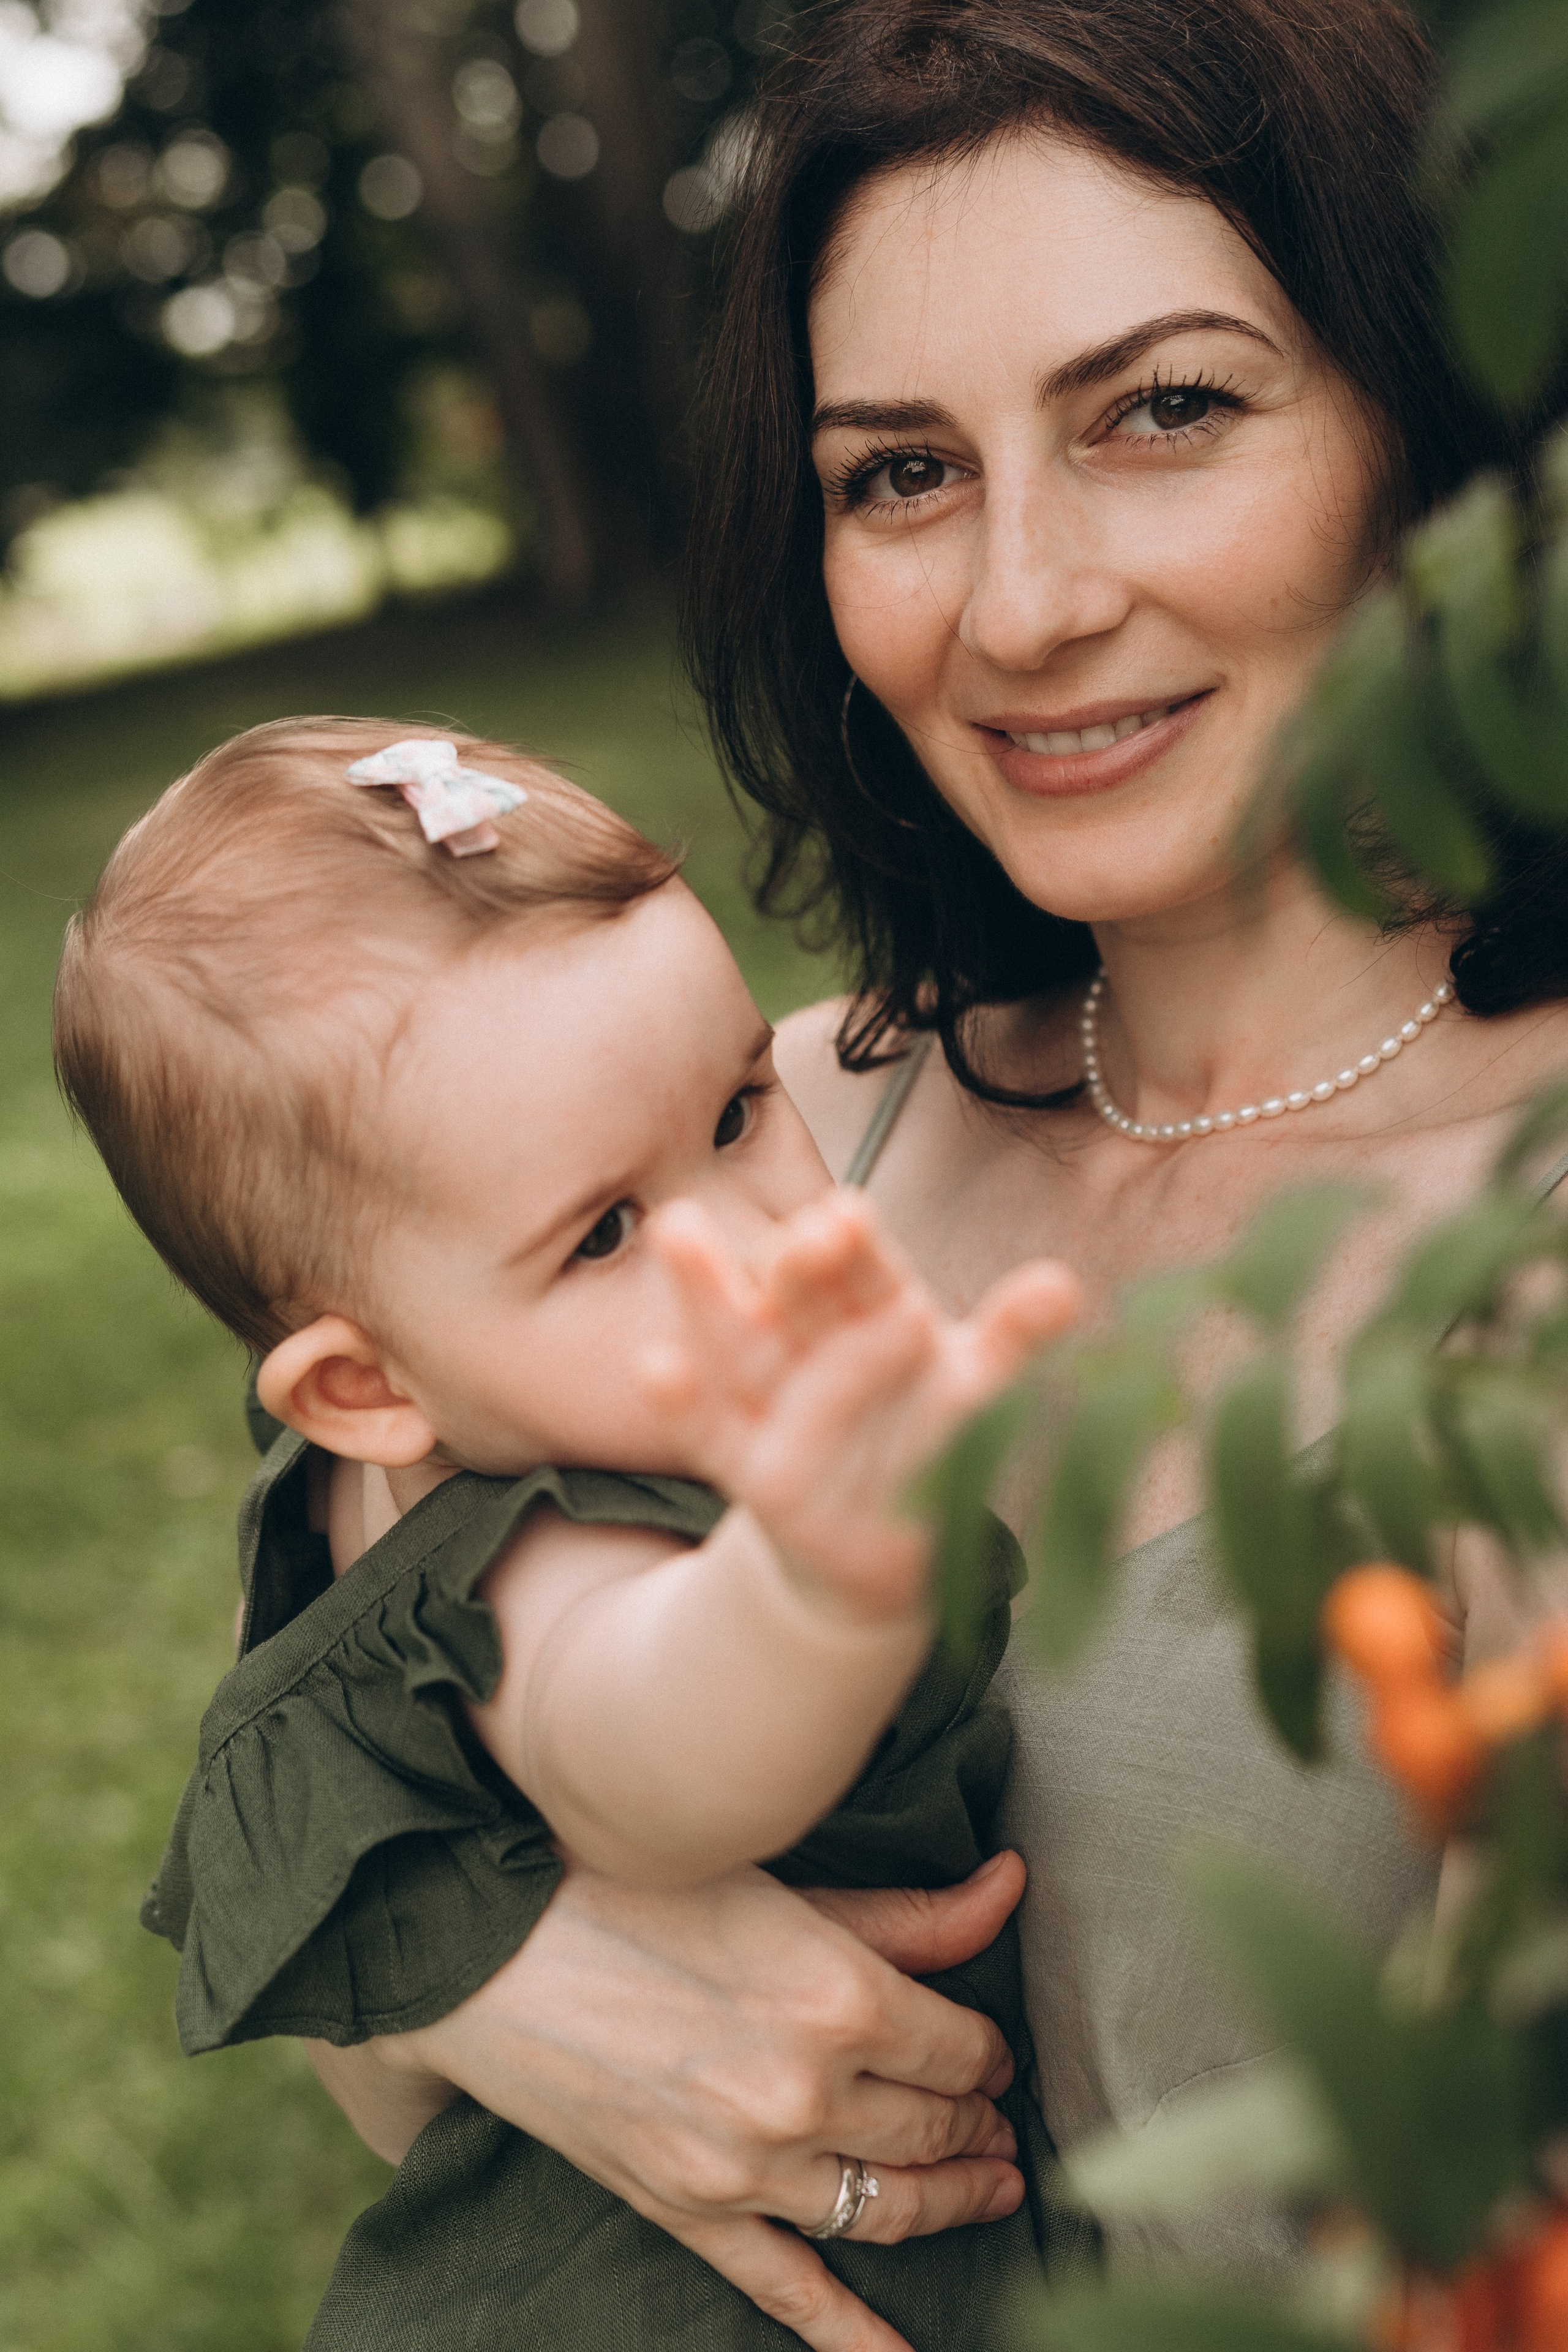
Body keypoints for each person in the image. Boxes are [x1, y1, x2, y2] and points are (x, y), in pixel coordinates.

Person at [138, 2, 1568, 2346]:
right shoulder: (701, 1152)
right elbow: (319, 1915)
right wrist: (511, 1984)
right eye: (900, 471)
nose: (1020, 604)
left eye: (1165, 409)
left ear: (1432, 426)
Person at [53, 717, 1091, 2348]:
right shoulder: (548, 1552)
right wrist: (818, 1581)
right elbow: (650, 1758)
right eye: (606, 1233)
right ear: (366, 1387)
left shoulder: (472, 1431)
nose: (754, 1244)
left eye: (739, 1111)